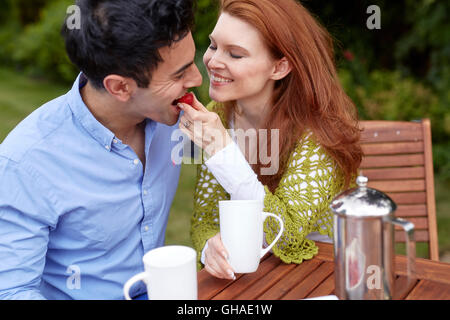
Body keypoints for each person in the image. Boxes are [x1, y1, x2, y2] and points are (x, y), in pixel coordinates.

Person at [0, 0, 202, 299]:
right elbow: (12, 290)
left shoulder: (175, 120)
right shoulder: (25, 163)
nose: (197, 80)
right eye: (179, 74)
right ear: (120, 88)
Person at [177, 0, 362, 279]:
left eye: (235, 54)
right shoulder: (219, 117)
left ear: (280, 67)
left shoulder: (318, 132)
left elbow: (285, 235)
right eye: (214, 45)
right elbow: (206, 221)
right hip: (256, 279)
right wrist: (209, 250)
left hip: (325, 276)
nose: (213, 62)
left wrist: (223, 151)